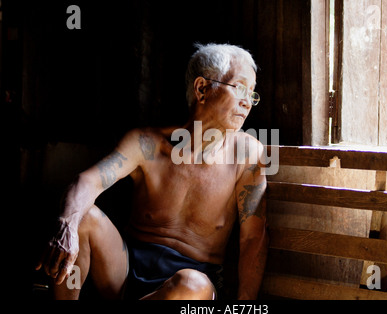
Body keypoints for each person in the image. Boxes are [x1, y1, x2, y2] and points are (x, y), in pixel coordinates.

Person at [36, 43, 269, 300]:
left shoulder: (248, 155)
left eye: (252, 93)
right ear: (202, 89)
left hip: (189, 289)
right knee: (84, 215)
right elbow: (88, 181)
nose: (248, 102)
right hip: (125, 273)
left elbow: (252, 240)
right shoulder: (147, 144)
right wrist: (67, 225)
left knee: (191, 284)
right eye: (240, 88)